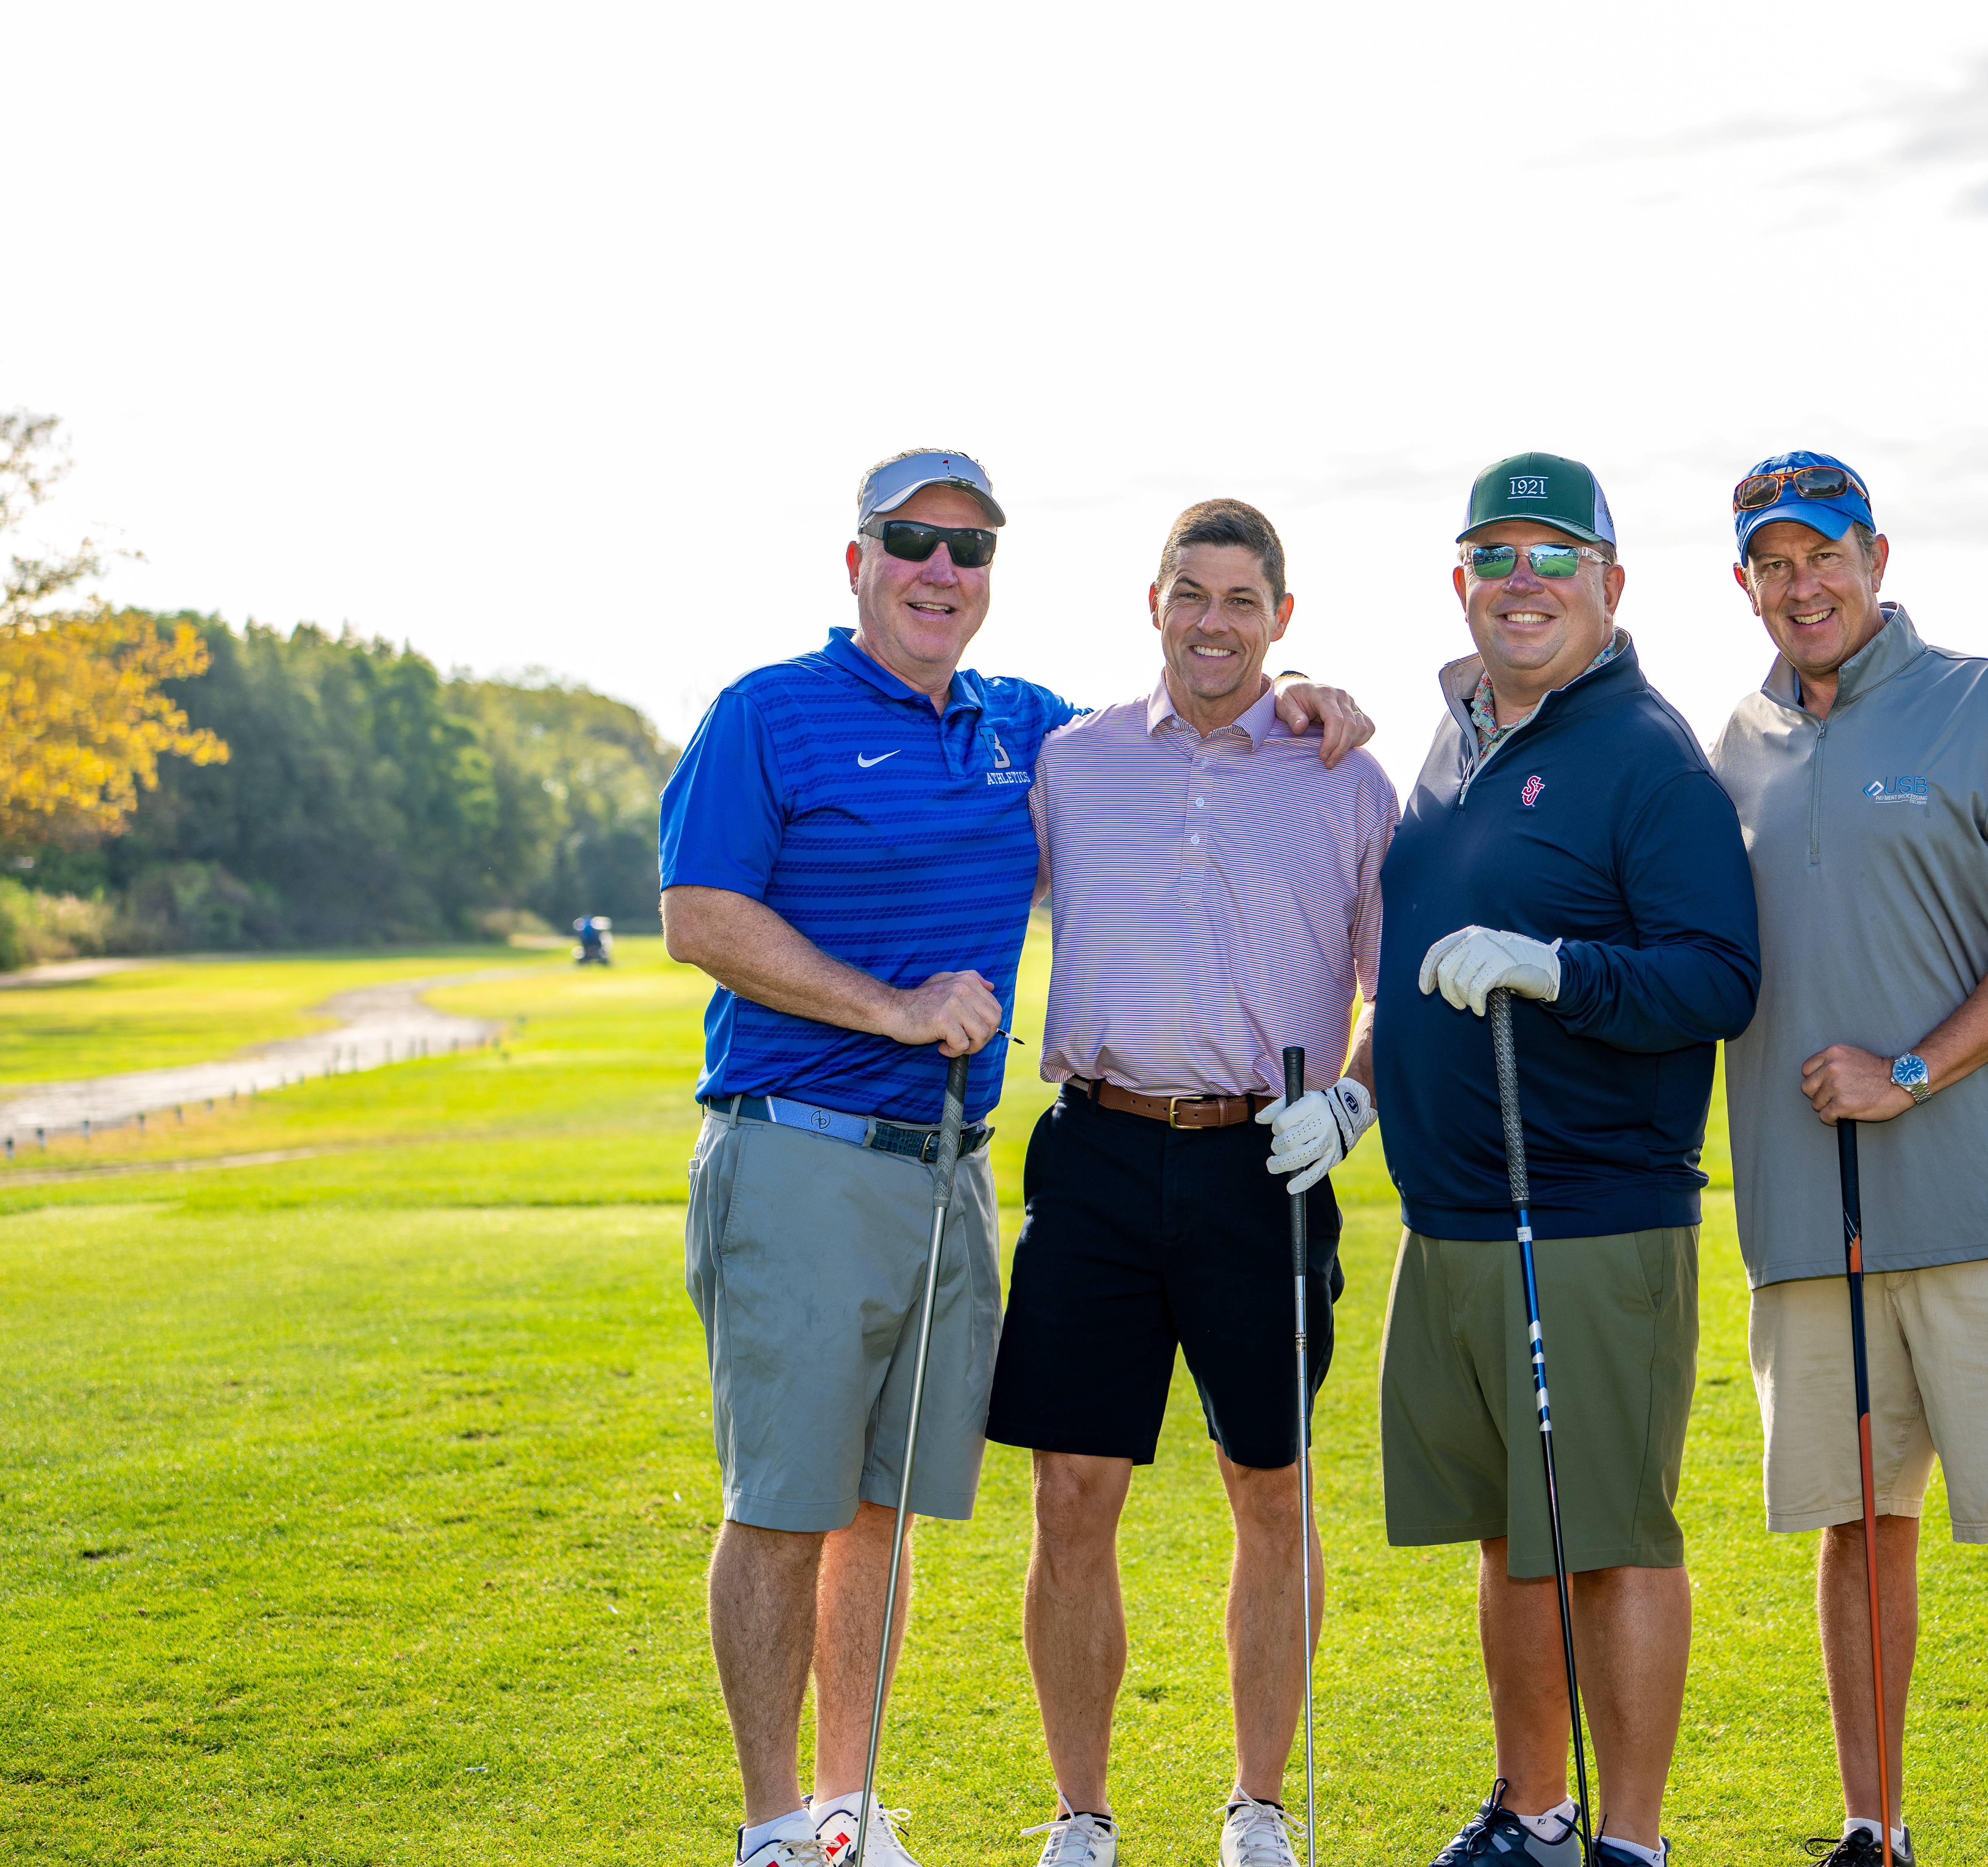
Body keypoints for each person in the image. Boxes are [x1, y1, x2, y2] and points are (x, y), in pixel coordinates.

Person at [660, 452, 1369, 1867]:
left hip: (1038, 1170)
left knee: (899, 1504)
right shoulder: (833, 720)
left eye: (969, 550)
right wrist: (895, 1010)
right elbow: (696, 915)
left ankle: (872, 1808)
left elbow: (1360, 942)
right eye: (913, 543)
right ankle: (809, 1824)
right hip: (893, 1149)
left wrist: (1312, 697)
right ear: (857, 559)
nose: (942, 571)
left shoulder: (1051, 738)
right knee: (843, 1501)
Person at [1707, 452, 1988, 1867]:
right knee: (1859, 1530)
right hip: (1807, 1224)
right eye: (1773, 562)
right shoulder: (1731, 750)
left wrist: (1911, 1073)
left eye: (1824, 552)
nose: (1802, 583)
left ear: (1877, 556)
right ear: (1746, 584)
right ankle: (1873, 1832)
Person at [989, 499, 1397, 1867]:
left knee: (1269, 1488)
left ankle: (1260, 1809)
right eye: (1191, 594)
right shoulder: (1069, 761)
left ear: (1282, 616)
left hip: (1263, 1165)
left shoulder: (1346, 776)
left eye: (1242, 600)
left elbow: (1393, 994)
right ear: (1151, 602)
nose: (1213, 622)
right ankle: (1083, 1816)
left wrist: (1353, 1103)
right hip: (1097, 1155)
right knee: (1071, 1496)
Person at [1370, 452, 1761, 1867]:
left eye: (1553, 557)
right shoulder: (1449, 739)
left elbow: (1719, 978)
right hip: (1455, 1218)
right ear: (1461, 578)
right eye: (1496, 556)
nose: (1522, 583)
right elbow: (1416, 968)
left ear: (1610, 581)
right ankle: (1534, 1814)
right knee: (1509, 1535)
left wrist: (1557, 966)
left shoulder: (1645, 754)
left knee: (1608, 1538)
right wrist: (1359, 1096)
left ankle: (1630, 1843)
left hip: (1588, 1216)